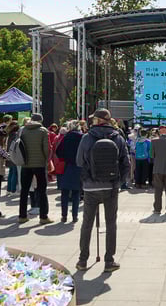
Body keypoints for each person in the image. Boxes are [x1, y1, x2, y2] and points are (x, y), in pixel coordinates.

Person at [75, 109, 129, 272]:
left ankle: (83, 260)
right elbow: (126, 164)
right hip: (111, 187)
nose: (91, 121)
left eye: (94, 119)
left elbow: (79, 161)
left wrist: (86, 179)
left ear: (99, 120)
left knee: (87, 224)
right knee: (111, 224)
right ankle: (109, 261)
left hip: (91, 187)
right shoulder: (118, 137)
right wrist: (118, 182)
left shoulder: (86, 137)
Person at [17, 113, 52, 224]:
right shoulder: (43, 131)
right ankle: (43, 217)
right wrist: (47, 161)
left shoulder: (23, 130)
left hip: (25, 164)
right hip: (39, 164)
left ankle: (22, 216)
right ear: (40, 120)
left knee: (24, 191)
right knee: (42, 191)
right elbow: (46, 148)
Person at [55, 120, 83, 223]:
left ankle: (64, 215)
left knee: (65, 193)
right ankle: (74, 216)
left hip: (66, 167)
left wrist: (64, 158)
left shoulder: (66, 137)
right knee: (76, 193)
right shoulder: (82, 137)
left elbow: (58, 151)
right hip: (78, 167)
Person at [4, 121, 20, 196]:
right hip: (14, 156)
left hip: (9, 155)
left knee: (11, 173)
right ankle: (13, 190)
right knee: (14, 173)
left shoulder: (9, 134)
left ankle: (9, 189)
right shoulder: (15, 135)